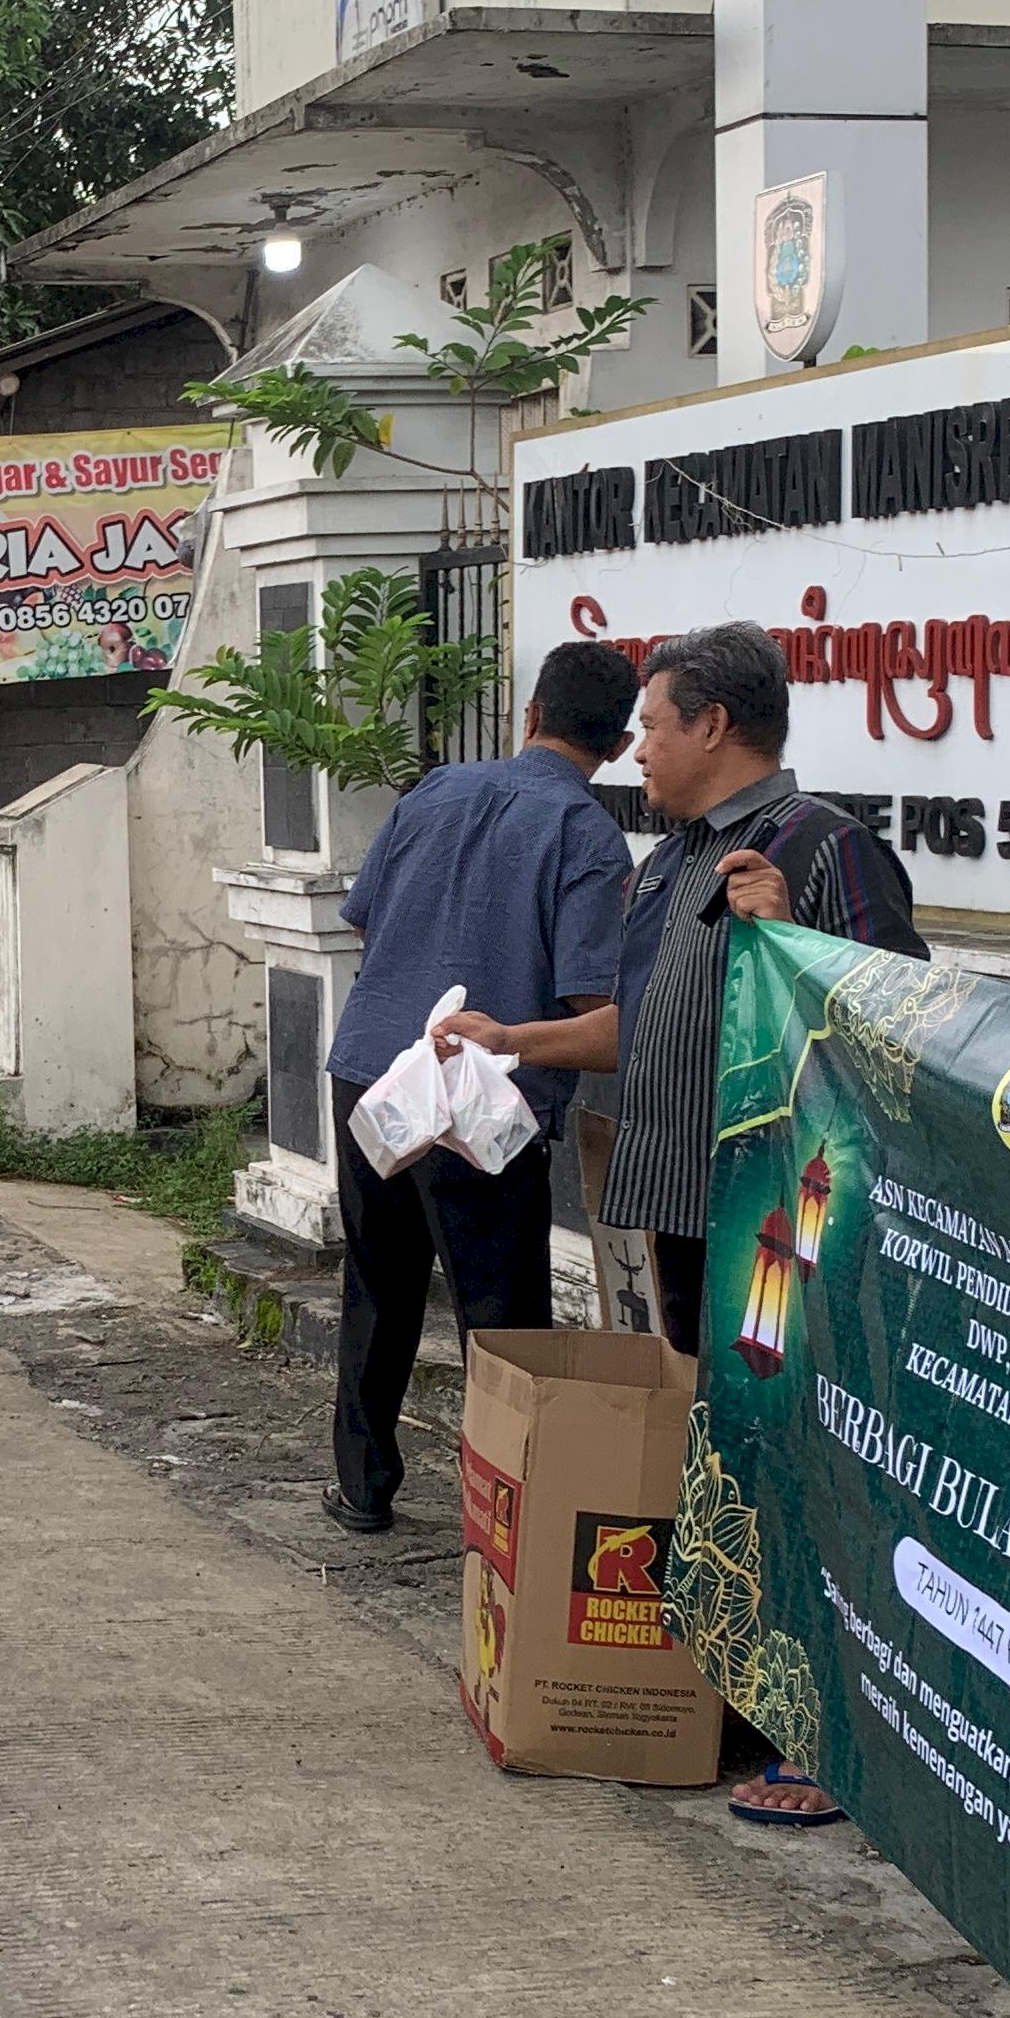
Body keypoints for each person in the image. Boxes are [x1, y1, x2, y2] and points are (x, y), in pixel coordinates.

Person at [437, 622, 925, 1828]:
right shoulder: (672, 859)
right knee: (730, 1459)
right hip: (677, 1209)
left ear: (713, 726)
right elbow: (638, 1026)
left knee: (802, 1466)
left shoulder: (818, 851)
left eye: (651, 726)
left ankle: (830, 1739)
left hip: (778, 1224)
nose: (634, 750)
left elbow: (900, 1021)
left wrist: (792, 933)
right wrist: (519, 1039)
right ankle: (736, 1702)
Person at [312, 640, 637, 1538]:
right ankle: (506, 1514)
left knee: (377, 1284)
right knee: (500, 1320)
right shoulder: (586, 835)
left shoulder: (436, 791)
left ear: (529, 715)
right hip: (481, 1108)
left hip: (372, 1074)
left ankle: (361, 1485)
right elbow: (593, 1002)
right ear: (613, 749)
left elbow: (369, 921)